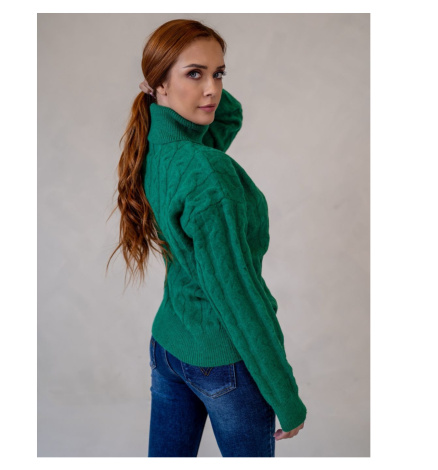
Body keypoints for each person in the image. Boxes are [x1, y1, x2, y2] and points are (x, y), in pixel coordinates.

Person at [107, 18, 307, 457]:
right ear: (159, 83)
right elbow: (236, 291)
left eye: (219, 74)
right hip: (222, 359)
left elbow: (227, 115)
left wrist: (172, 86)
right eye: (194, 74)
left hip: (169, 345)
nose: (212, 90)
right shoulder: (206, 170)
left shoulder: (155, 148)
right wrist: (284, 394)